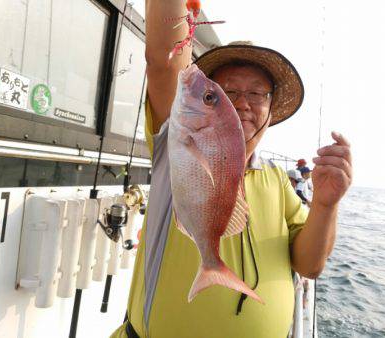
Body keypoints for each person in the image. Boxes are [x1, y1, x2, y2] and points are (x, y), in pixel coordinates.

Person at [111, 1, 352, 337]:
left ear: (270, 109)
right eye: (226, 92)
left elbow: (310, 265)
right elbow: (163, 59)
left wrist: (327, 204)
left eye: (257, 93)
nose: (242, 102)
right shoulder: (176, 141)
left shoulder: (277, 180)